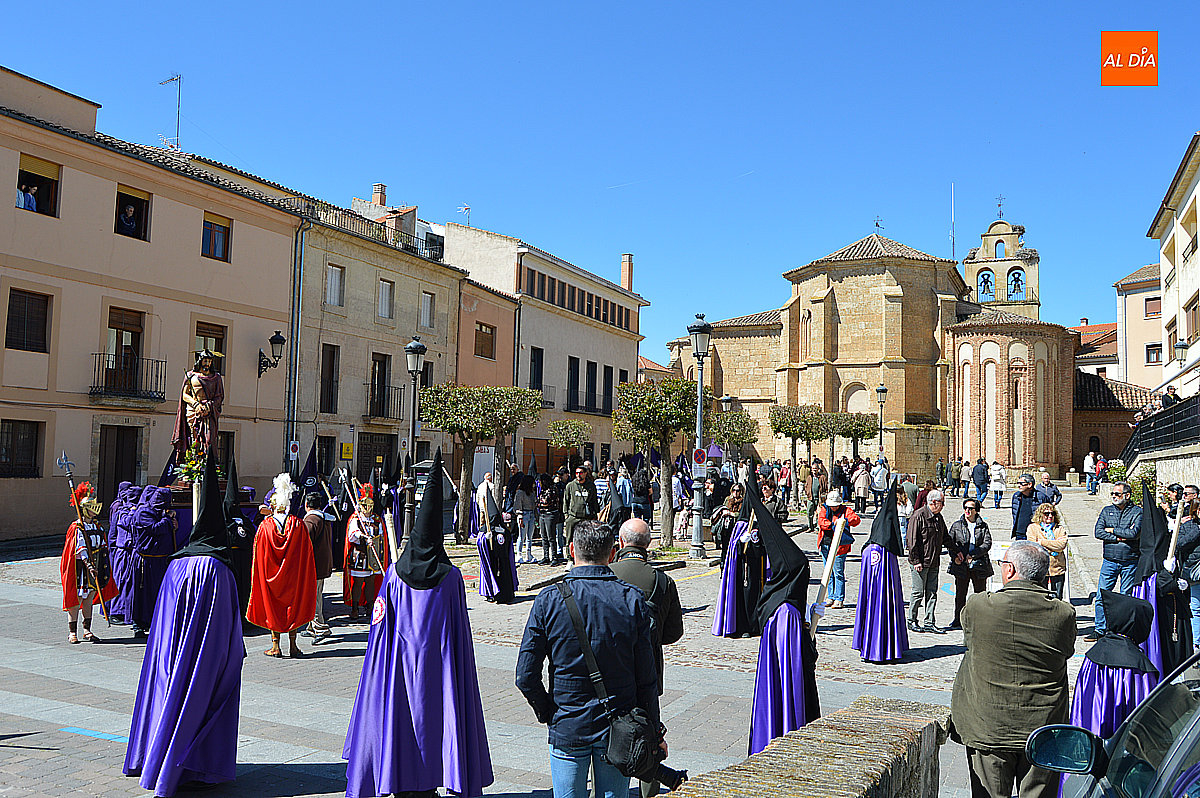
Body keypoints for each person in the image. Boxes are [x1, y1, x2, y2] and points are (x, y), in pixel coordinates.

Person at [344, 449, 493, 798]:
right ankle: (435, 779)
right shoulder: (452, 579)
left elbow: (379, 630)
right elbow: (460, 635)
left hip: (399, 667)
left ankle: (397, 778)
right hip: (441, 670)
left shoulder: (395, 576)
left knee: (397, 717)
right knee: (440, 720)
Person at [123, 452, 243, 797]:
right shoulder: (217, 570)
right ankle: (191, 765)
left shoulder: (177, 564)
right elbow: (224, 629)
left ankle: (155, 755)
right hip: (202, 656)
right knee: (199, 697)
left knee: (165, 692)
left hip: (168, 651)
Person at [516, 520, 663, 798]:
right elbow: (647, 677)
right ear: (613, 553)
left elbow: (525, 676)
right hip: (619, 726)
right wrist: (653, 730)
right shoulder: (632, 600)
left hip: (568, 722)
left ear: (572, 550)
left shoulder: (549, 600)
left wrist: (549, 712)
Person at [949, 541, 1075, 798]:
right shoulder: (1063, 614)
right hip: (1042, 726)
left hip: (989, 726)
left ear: (1010, 570)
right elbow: (1067, 650)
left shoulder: (980, 606)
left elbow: (969, 637)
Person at [748, 467, 822, 755]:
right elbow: (793, 664)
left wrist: (808, 624)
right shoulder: (787, 613)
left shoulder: (778, 603)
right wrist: (807, 637)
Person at [610, 517, 684, 798]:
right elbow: (674, 632)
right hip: (650, 669)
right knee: (650, 731)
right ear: (648, 544)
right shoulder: (663, 581)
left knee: (610, 730)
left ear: (621, 542)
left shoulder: (607, 574)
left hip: (612, 669)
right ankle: (649, 790)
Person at [1070, 590, 1159, 740]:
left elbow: (1082, 703)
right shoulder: (1140, 666)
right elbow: (1146, 715)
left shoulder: (1093, 656)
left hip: (1091, 740)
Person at [246, 473, 316, 658]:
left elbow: (259, 554)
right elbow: (306, 552)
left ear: (272, 505)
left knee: (273, 608)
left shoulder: (265, 526)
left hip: (270, 575)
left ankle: (275, 646)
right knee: (292, 607)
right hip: (293, 576)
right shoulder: (298, 524)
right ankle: (293, 645)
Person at [1130, 488, 1193, 676]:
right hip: (1161, 617)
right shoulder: (1151, 558)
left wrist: (1179, 582)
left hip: (1170, 613)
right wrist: (1169, 576)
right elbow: (1159, 586)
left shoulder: (1159, 553)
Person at [852, 479, 909, 663]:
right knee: (880, 601)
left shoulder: (873, 547)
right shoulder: (880, 552)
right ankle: (879, 647)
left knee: (876, 602)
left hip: (877, 554)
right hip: (880, 558)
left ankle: (874, 643)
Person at [59, 481, 118, 644]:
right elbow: (80, 549)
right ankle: (72, 632)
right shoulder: (77, 527)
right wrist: (89, 565)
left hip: (95, 567)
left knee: (89, 598)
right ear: (85, 509)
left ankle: (87, 630)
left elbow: (103, 546)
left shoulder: (97, 526)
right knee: (77, 598)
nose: (95, 510)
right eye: (91, 507)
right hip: (80, 569)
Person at [1089, 481, 1142, 642]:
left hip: (1129, 561)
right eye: (1112, 494)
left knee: (1125, 597)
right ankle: (1100, 629)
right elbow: (1098, 532)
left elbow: (1134, 533)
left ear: (1127, 495)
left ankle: (1122, 630)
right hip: (1110, 560)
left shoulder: (1137, 512)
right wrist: (1119, 537)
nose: (1114, 496)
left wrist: (1112, 530)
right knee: (1102, 595)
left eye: (1117, 494)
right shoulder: (1107, 511)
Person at [128, 485, 179, 636]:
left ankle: (156, 622)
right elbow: (156, 529)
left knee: (158, 593)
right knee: (143, 593)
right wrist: (168, 520)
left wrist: (173, 525)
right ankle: (138, 624)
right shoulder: (144, 512)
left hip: (161, 561)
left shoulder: (161, 513)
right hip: (146, 562)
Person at [946, 498, 992, 630]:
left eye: (970, 508)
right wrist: (955, 556)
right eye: (965, 507)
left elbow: (987, 544)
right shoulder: (957, 525)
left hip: (979, 564)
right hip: (961, 564)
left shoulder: (983, 526)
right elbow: (950, 543)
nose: (967, 510)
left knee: (980, 595)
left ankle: (980, 620)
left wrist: (973, 555)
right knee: (960, 594)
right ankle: (958, 619)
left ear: (976, 510)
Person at [343, 484, 387, 620]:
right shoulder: (356, 519)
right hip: (360, 555)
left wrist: (375, 539)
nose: (367, 509)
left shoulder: (377, 520)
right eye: (365, 506)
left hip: (373, 555)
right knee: (358, 581)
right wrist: (363, 537)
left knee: (370, 581)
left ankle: (370, 606)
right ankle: (355, 608)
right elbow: (352, 534)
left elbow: (381, 535)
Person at [906, 489, 947, 633]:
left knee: (932, 592)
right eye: (942, 502)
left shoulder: (938, 517)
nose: (943, 505)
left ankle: (929, 622)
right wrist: (916, 560)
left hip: (933, 561)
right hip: (920, 563)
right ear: (934, 502)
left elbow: (945, 537)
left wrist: (957, 551)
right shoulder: (918, 516)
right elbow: (911, 541)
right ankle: (912, 620)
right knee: (918, 592)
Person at [172, 349, 225, 457]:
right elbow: (185, 394)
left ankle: (208, 462)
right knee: (193, 438)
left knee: (209, 439)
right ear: (200, 361)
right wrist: (195, 404)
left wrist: (209, 406)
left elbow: (219, 396)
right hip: (194, 411)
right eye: (205, 361)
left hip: (209, 412)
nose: (207, 364)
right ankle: (193, 462)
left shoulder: (216, 378)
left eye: (209, 361)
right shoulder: (191, 376)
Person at [816, 490, 860, 610]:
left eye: (835, 505)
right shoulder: (824, 509)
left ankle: (839, 598)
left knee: (838, 572)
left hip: (840, 547)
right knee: (828, 573)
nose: (833, 508)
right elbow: (821, 522)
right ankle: (830, 596)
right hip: (826, 544)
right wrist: (832, 524)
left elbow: (856, 519)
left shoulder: (846, 510)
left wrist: (844, 521)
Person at [223, 457, 255, 615]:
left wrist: (243, 528)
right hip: (230, 561)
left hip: (244, 561)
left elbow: (252, 536)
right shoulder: (223, 521)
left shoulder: (245, 520)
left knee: (244, 589)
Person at [302, 492, 333, 642]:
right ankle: (311, 627)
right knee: (317, 595)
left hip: (313, 564)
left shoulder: (311, 520)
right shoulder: (323, 518)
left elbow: (304, 543)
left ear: (306, 505)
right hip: (322, 563)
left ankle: (320, 628)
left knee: (313, 597)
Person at [1026, 502, 1068, 600]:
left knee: (1057, 597)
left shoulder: (1059, 529)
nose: (1050, 516)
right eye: (1046, 514)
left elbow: (1062, 545)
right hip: (1040, 567)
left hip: (1057, 568)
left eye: (1052, 513)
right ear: (1040, 515)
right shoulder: (1033, 528)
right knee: (1041, 597)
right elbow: (1033, 545)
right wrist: (1053, 545)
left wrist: (1042, 542)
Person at [563, 465, 599, 546]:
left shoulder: (591, 486)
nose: (578, 475)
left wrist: (596, 514)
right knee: (569, 540)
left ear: (585, 473)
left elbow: (594, 501)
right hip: (573, 516)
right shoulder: (570, 485)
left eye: (581, 473)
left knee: (587, 540)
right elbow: (566, 500)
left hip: (586, 517)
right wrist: (566, 515)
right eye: (577, 473)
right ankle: (569, 553)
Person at [710, 483, 744, 557]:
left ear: (741, 491)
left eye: (737, 490)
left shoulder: (743, 502)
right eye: (733, 490)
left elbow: (742, 514)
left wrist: (731, 514)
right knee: (725, 547)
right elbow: (724, 507)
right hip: (726, 526)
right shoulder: (728, 499)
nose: (735, 492)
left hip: (736, 527)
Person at [513, 475, 537, 564]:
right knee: (521, 535)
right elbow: (517, 505)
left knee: (529, 537)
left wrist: (536, 516)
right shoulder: (520, 493)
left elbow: (534, 505)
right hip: (524, 514)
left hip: (531, 514)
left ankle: (528, 554)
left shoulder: (532, 492)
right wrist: (520, 515)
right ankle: (519, 554)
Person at [1010, 473, 1037, 541]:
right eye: (1018, 483)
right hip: (1020, 533)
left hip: (1034, 534)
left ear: (1030, 484)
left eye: (1021, 483)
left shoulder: (1040, 497)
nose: (1019, 485)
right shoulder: (1016, 496)